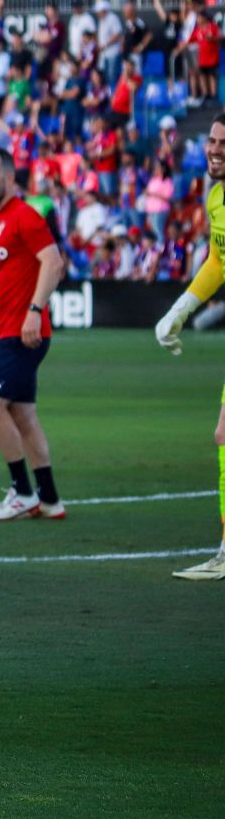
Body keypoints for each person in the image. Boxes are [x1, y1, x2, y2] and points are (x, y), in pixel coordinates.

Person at [0, 148, 68, 522]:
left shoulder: (25, 216)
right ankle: (51, 499)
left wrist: (35, 311)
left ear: (10, 178)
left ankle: (23, 492)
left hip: (24, 333)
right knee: (23, 415)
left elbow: (53, 261)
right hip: (5, 331)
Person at [153, 112, 225, 581]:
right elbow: (219, 257)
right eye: (213, 141)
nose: (214, 149)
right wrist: (180, 308)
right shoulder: (216, 195)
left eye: (223, 143)